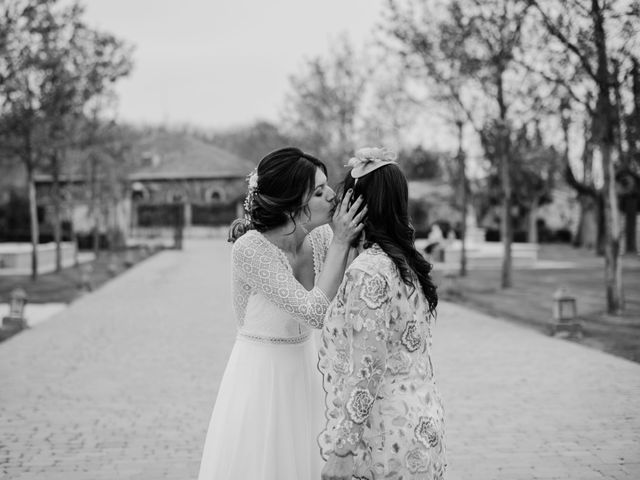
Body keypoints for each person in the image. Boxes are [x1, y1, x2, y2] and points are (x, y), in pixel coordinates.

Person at [197, 147, 366, 480]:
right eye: (318, 192)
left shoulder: (320, 236)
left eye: (326, 186)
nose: (331, 196)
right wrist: (342, 242)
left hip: (309, 368)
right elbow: (314, 311)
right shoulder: (251, 249)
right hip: (263, 376)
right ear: (291, 205)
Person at [318, 147, 446, 480]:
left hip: (384, 434)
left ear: (355, 205)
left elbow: (368, 367)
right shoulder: (403, 263)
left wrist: (343, 448)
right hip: (421, 421)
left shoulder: (369, 273)